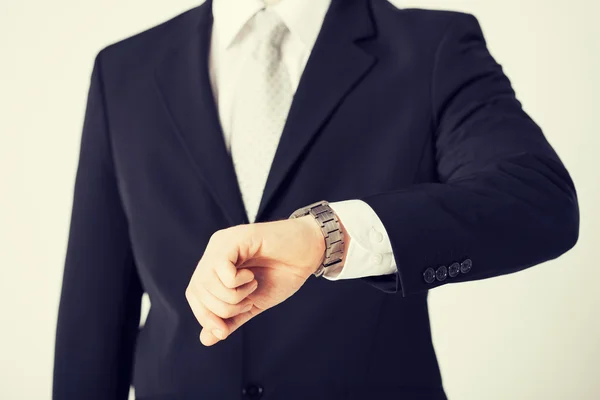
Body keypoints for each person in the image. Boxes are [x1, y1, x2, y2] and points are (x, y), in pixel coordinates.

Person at [53, 0, 580, 399]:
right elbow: (93, 310)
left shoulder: (432, 46)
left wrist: (327, 236)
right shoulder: (123, 70)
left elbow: (538, 199)